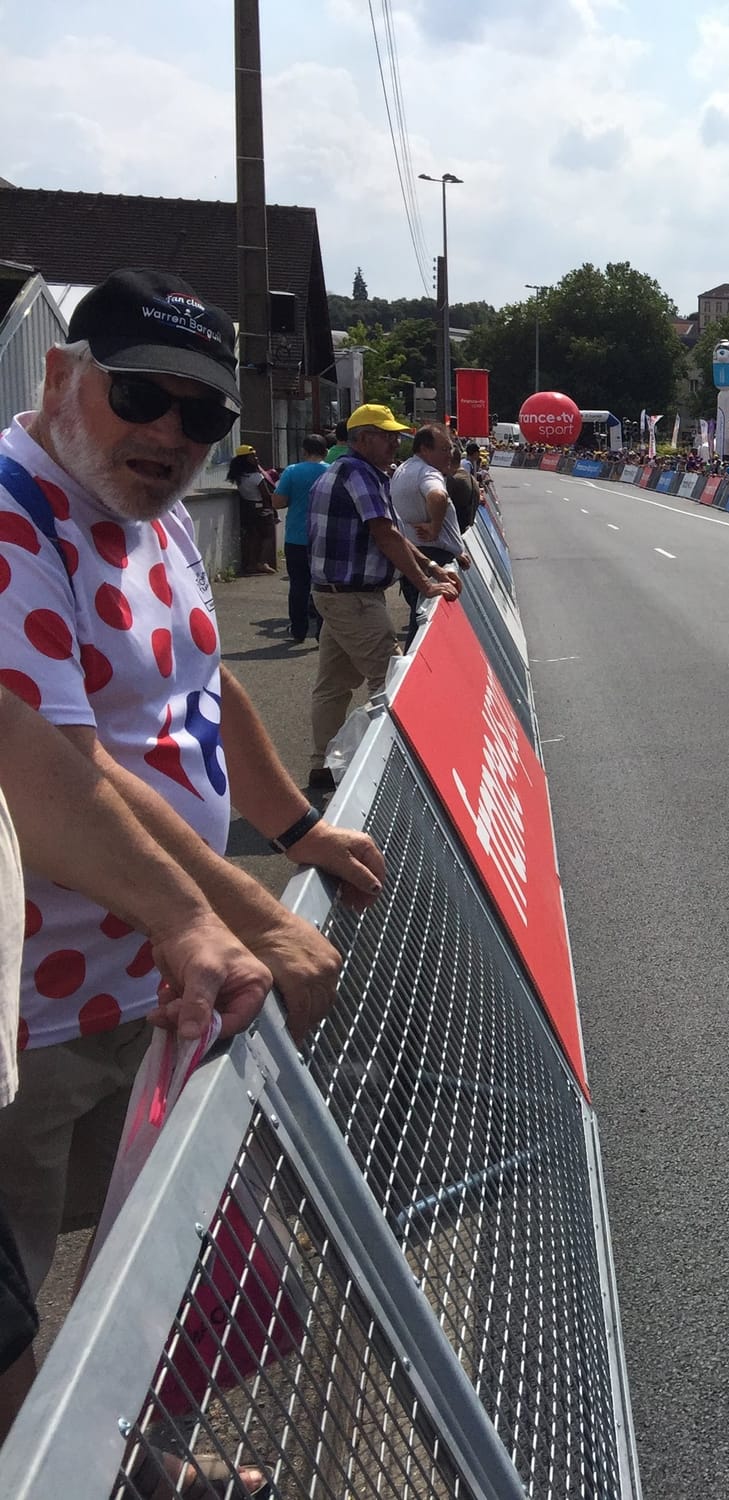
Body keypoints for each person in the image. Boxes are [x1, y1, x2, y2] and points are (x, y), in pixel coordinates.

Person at [0, 267, 385, 1347]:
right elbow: (58, 772)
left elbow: (201, 688)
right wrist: (239, 919)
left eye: (203, 413)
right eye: (142, 395)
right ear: (61, 374)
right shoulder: (11, 516)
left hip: (154, 981)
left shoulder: (152, 514)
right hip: (30, 1007)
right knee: (13, 1307)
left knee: (136, 1257)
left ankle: (141, 1464)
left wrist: (294, 828)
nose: (171, 431)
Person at [0, 687, 277, 1442]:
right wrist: (228, 917)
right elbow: (51, 748)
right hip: (43, 1016)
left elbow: (201, 684)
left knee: (103, 1259)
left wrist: (191, 914)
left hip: (137, 997)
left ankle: (112, 1461)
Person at [306, 403, 460, 793]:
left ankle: (323, 764)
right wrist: (426, 583)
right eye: (386, 435)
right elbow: (386, 534)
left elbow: (391, 531)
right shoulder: (360, 474)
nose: (395, 442)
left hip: (336, 595)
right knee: (390, 680)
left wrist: (428, 565)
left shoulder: (344, 470)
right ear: (363, 439)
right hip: (354, 599)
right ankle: (391, 779)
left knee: (333, 685)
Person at [389, 422, 466, 645]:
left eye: (450, 448)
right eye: (444, 449)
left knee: (420, 616)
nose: (449, 455)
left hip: (416, 554)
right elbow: (437, 496)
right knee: (425, 623)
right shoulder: (428, 472)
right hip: (434, 557)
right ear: (424, 449)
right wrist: (435, 527)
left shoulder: (404, 469)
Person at [274, 433, 329, 642]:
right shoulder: (331, 471)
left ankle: (298, 629)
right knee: (324, 585)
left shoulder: (292, 471)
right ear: (325, 451)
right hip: (324, 537)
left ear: (304, 451)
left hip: (297, 536)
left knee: (298, 584)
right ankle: (323, 632)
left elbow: (278, 502)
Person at [227, 443, 278, 575]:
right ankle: (261, 562)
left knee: (252, 536)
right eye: (252, 456)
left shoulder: (239, 476)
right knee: (266, 536)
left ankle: (250, 564)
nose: (256, 459)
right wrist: (271, 509)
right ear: (245, 459)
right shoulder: (256, 476)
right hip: (261, 508)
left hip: (248, 508)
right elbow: (266, 495)